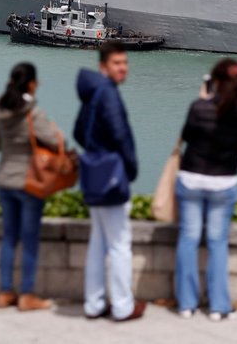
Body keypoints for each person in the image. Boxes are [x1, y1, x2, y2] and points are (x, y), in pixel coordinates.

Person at [174, 59, 237, 321]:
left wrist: (204, 100)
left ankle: (187, 304)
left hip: (192, 179)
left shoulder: (199, 108)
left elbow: (186, 135)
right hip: (223, 182)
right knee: (218, 242)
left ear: (214, 82)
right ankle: (219, 306)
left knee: (188, 238)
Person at [73, 42, 146, 322]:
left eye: (125, 63)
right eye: (118, 63)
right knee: (119, 245)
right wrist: (130, 166)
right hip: (112, 177)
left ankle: (93, 304)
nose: (123, 68)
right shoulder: (109, 94)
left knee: (98, 242)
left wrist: (95, 150)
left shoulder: (92, 93)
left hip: (93, 173)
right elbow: (120, 136)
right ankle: (123, 306)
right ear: (103, 65)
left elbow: (79, 132)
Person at [0, 62, 64, 311]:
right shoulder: (33, 113)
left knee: (9, 237)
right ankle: (27, 295)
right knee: (30, 239)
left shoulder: (1, 110)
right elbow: (55, 143)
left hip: (4, 179)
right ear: (31, 84)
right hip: (29, 182)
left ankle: (4, 292)